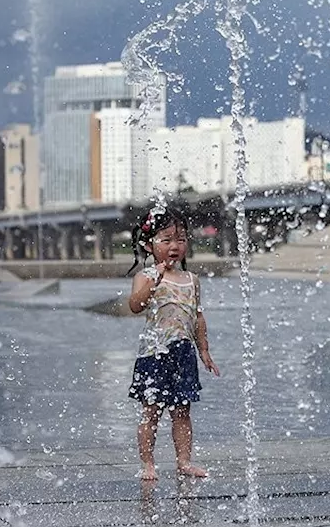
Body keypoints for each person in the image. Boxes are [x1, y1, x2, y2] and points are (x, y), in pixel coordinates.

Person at [126, 200, 220, 481]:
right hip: (154, 353)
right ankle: (148, 464)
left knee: (182, 411)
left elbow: (198, 317)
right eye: (166, 240)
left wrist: (204, 350)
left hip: (183, 352)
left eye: (180, 239)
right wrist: (154, 283)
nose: (174, 246)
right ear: (148, 245)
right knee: (151, 411)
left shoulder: (192, 279)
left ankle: (184, 461)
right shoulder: (146, 275)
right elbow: (135, 305)